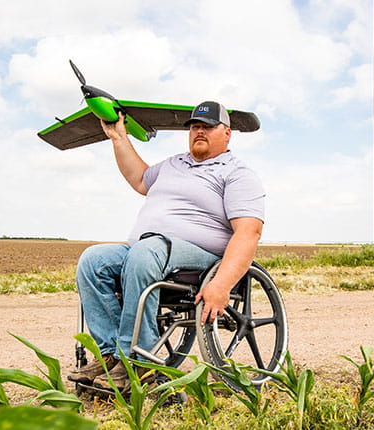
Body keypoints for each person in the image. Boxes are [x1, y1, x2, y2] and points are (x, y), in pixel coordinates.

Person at [67, 101, 265, 390]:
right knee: (93, 260)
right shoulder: (174, 164)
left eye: (208, 127)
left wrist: (221, 285)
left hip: (197, 256)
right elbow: (139, 179)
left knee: (146, 251)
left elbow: (249, 232)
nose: (199, 131)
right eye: (195, 126)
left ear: (227, 134)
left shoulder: (237, 173)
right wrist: (119, 137)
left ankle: (138, 361)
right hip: (148, 249)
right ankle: (110, 355)